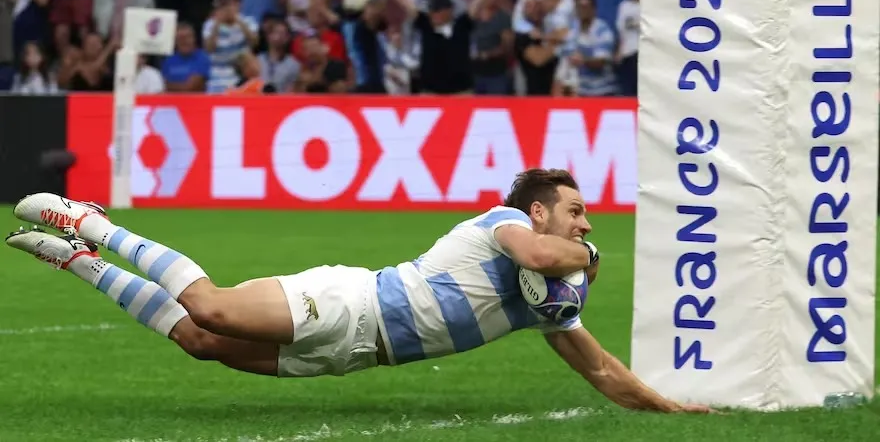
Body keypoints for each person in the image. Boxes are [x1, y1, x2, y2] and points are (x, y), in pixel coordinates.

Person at [7, 169, 713, 414]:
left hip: (355, 354)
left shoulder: (545, 300)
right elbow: (539, 251)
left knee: (201, 343)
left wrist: (672, 411)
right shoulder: (506, 226)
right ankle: (91, 222)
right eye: (577, 211)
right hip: (354, 303)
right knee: (210, 305)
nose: (586, 223)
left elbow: (600, 369)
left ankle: (80, 263)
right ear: (540, 210)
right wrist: (588, 253)